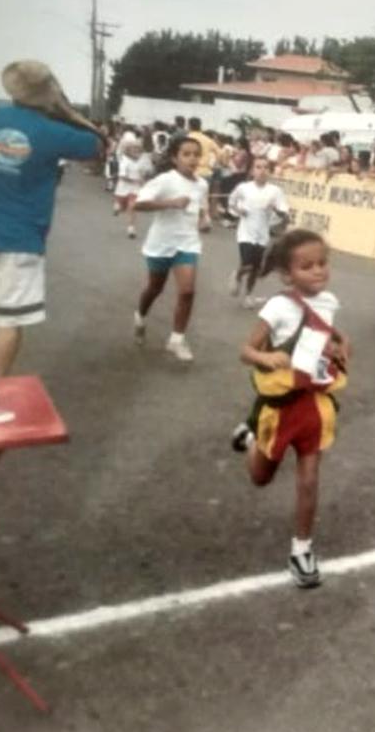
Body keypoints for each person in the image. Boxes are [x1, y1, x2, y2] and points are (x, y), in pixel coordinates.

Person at [0, 60, 102, 380]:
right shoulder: (54, 132)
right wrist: (65, 110)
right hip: (22, 239)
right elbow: (97, 144)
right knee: (9, 321)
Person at [232, 229, 351, 589]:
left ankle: (302, 550)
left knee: (310, 478)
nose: (318, 271)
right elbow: (246, 351)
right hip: (280, 405)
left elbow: (329, 335)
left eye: (322, 264)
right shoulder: (278, 307)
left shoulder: (329, 302)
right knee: (260, 476)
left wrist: (341, 345)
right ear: (287, 274)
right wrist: (268, 355)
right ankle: (253, 435)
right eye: (307, 266)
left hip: (313, 402)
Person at [132, 136, 210, 362]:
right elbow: (138, 204)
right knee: (155, 288)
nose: (192, 159)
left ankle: (176, 339)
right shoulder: (165, 180)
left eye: (196, 154)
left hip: (187, 243)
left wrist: (205, 220)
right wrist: (171, 203)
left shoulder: (201, 184)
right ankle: (140, 315)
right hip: (161, 243)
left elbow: (201, 208)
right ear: (175, 157)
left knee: (187, 291)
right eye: (186, 154)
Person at [227, 156, 290, 308]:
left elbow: (284, 214)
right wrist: (238, 210)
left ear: (270, 171)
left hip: (263, 234)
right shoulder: (244, 188)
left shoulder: (275, 191)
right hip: (245, 232)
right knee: (247, 263)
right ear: (252, 170)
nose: (262, 171)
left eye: (265, 168)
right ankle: (238, 273)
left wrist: (276, 210)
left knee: (256, 268)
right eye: (258, 167)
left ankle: (248, 295)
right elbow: (231, 202)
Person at [114, 134, 154, 239]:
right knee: (122, 207)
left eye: (138, 149)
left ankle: (131, 228)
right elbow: (122, 176)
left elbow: (147, 172)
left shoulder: (143, 160)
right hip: (123, 188)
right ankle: (118, 206)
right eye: (133, 149)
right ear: (128, 151)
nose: (136, 151)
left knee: (132, 207)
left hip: (135, 189)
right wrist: (136, 180)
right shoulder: (125, 161)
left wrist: (146, 177)